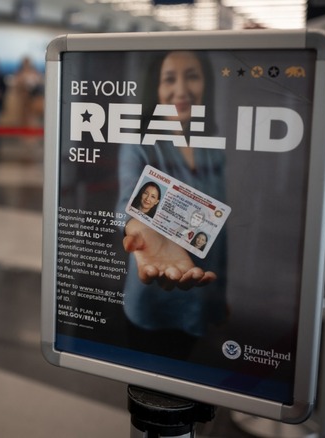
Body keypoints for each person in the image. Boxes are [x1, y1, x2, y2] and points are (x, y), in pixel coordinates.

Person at [117, 50, 227, 358]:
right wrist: (137, 225)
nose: (181, 89)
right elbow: (125, 203)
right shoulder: (139, 143)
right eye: (169, 79)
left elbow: (222, 231)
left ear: (206, 83)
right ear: (155, 87)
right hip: (152, 304)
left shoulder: (212, 146)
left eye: (192, 75)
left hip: (202, 298)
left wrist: (220, 297)